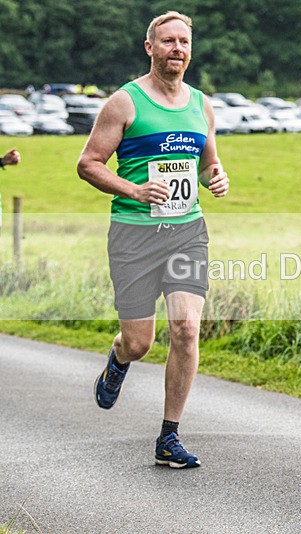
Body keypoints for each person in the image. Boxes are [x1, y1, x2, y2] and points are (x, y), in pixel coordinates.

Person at [77, 11, 229, 469]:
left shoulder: (201, 104)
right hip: (134, 235)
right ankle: (119, 359)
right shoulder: (124, 103)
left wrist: (215, 178)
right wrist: (135, 190)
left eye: (183, 41)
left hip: (187, 232)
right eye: (167, 41)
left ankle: (169, 437)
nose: (177, 49)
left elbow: (207, 163)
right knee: (140, 342)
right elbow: (89, 163)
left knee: (185, 328)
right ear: (151, 48)